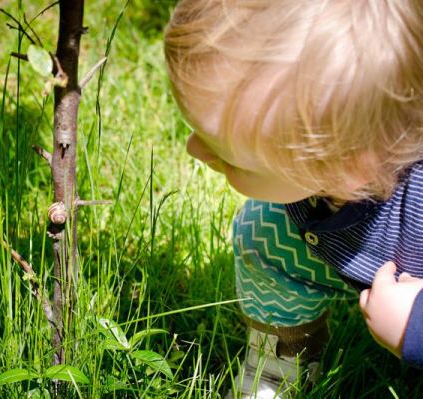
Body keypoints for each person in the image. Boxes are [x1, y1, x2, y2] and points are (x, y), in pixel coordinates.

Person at [164, 0, 423, 397]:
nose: (193, 150)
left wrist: (416, 326)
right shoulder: (339, 163)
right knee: (268, 238)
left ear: (346, 170)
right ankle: (278, 366)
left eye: (231, 160)